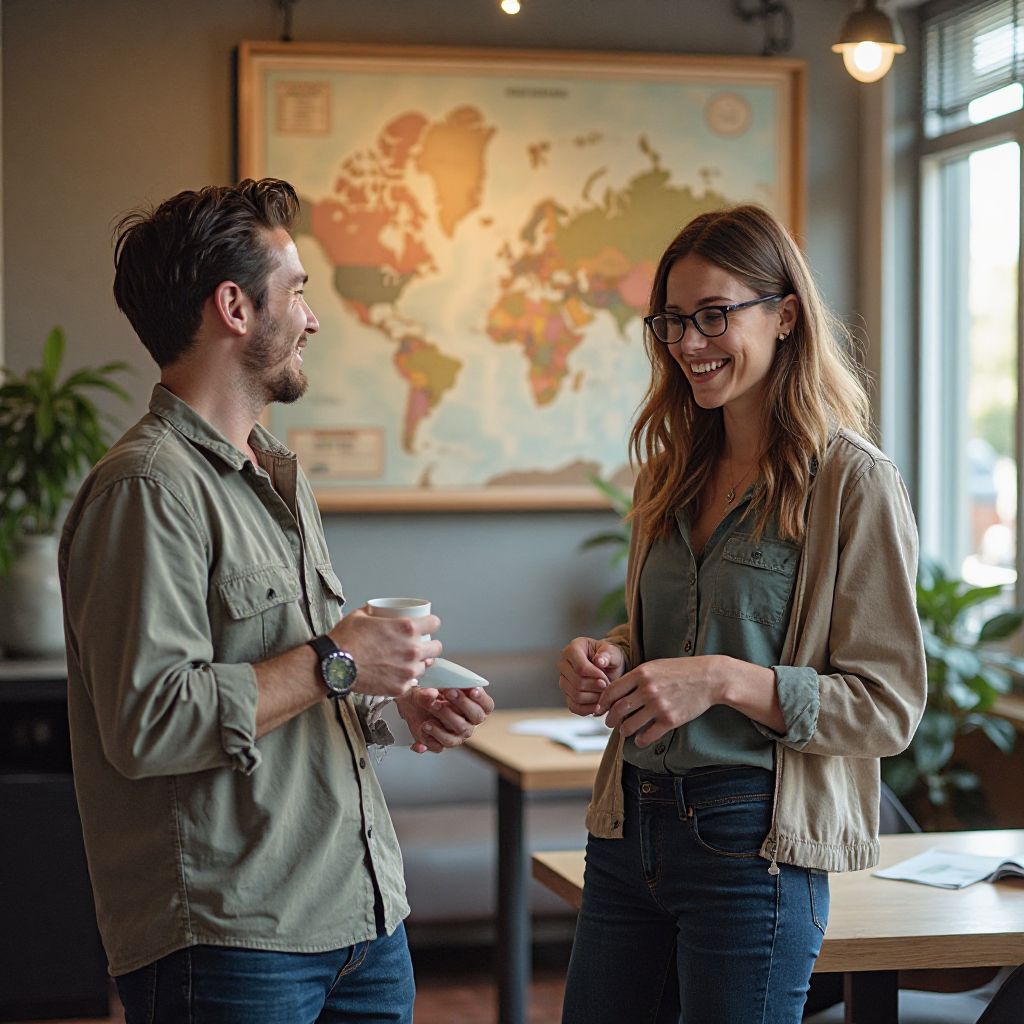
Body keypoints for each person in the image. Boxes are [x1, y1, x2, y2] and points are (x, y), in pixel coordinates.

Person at [59, 178, 494, 1024]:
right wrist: (337, 662)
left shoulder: (274, 473)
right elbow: (149, 722)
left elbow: (290, 687)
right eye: (296, 289)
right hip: (234, 946)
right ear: (234, 307)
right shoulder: (147, 489)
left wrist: (390, 706)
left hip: (363, 922)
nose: (313, 316)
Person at [556, 204, 926, 1023]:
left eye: (715, 315)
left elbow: (887, 706)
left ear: (785, 314)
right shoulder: (669, 470)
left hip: (750, 844)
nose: (691, 343)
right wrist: (612, 657)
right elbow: (677, 636)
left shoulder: (850, 481)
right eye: (673, 321)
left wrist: (723, 681)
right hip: (627, 829)